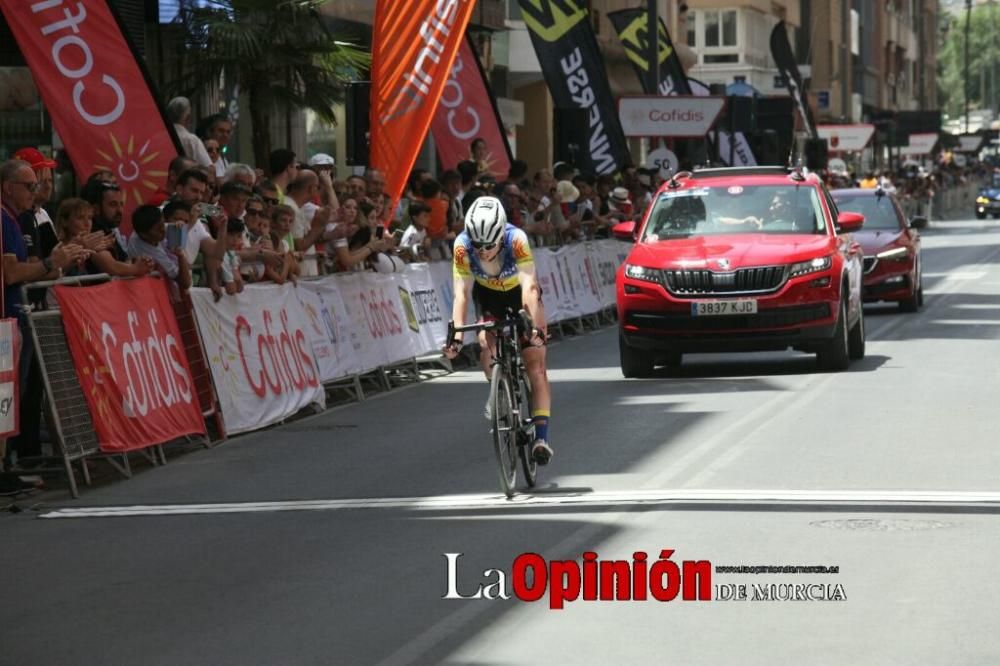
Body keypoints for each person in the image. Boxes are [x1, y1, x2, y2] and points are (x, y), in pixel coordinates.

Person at [442, 196, 553, 465]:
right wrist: (456, 337)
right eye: (477, 246)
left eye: (488, 246)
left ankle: (541, 438)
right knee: (485, 343)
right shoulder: (461, 245)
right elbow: (462, 294)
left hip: (519, 295)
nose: (481, 252)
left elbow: (530, 287)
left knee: (535, 365)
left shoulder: (517, 240)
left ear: (501, 234)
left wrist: (536, 327)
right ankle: (499, 390)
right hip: (488, 296)